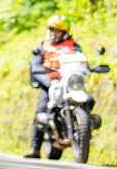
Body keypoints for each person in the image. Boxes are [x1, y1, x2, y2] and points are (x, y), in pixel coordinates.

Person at [25, 14, 80, 160]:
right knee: (41, 111)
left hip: (69, 82)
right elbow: (35, 65)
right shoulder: (43, 45)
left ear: (64, 32)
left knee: (88, 99)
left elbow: (82, 61)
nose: (53, 33)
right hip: (49, 83)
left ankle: (82, 130)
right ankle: (35, 148)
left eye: (56, 30)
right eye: (51, 29)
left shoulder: (73, 45)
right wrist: (47, 81)